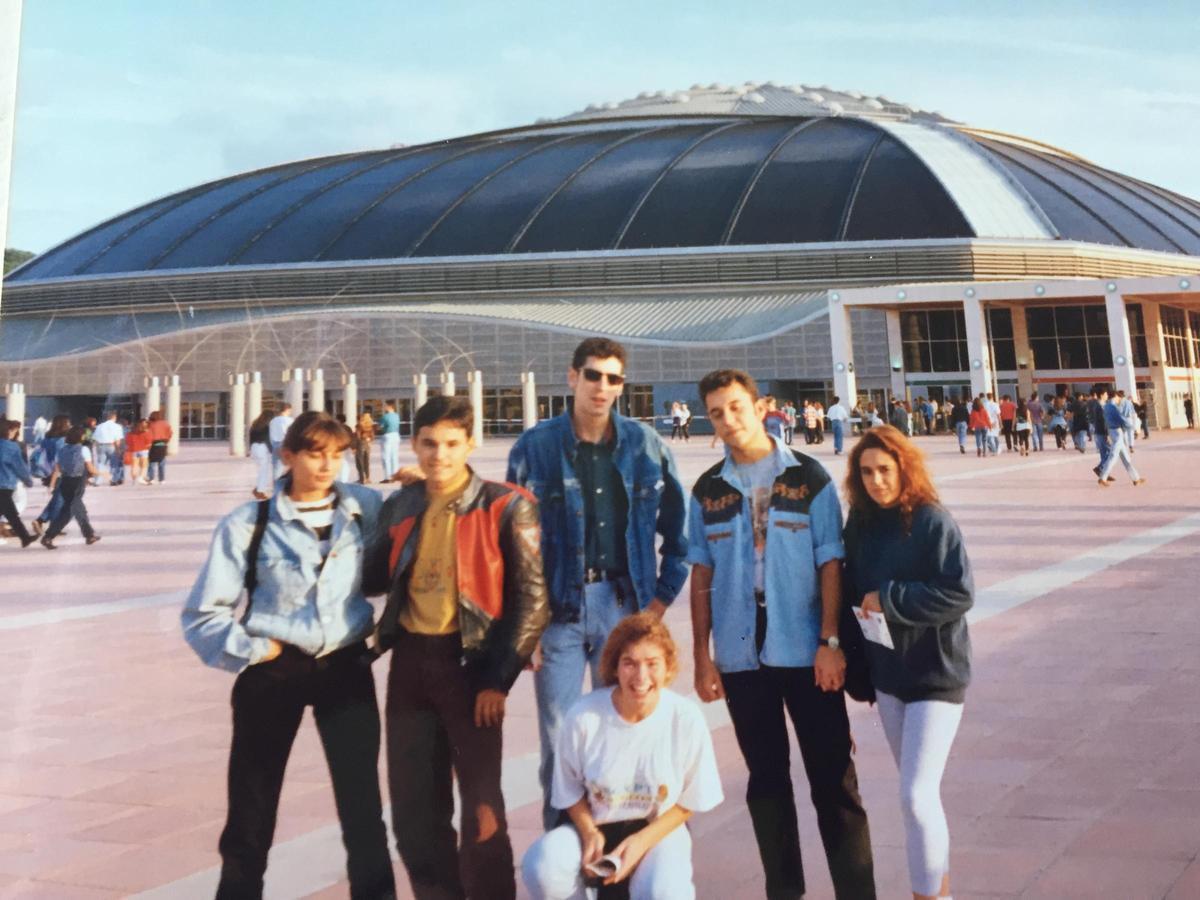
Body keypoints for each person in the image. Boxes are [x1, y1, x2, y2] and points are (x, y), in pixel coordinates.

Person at [181, 411, 395, 900]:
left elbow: (401, 544)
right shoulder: (248, 522)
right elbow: (202, 613)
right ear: (288, 456)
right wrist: (254, 649)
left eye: (337, 455)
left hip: (344, 665)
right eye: (315, 453)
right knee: (252, 806)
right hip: (273, 671)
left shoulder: (364, 508)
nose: (327, 466)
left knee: (362, 805)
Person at [690, 368, 876, 900]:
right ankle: (784, 891)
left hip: (806, 646)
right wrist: (703, 659)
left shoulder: (809, 477)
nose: (728, 420)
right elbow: (700, 575)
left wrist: (830, 642)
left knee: (833, 779)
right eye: (717, 412)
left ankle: (857, 892)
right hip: (741, 650)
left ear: (760, 406)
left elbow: (831, 564)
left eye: (736, 407)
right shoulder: (708, 490)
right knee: (766, 782)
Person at [368, 395, 549, 900]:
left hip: (470, 669)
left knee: (481, 815)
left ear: (471, 443)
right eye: (428, 444)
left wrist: (498, 678)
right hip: (410, 668)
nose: (439, 455)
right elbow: (369, 576)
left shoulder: (507, 505)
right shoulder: (402, 504)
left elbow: (533, 603)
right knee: (412, 816)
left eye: (451, 444)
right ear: (413, 444)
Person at [506, 336, 688, 832]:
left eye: (613, 378)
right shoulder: (535, 447)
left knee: (629, 734)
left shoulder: (645, 445)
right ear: (572, 378)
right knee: (561, 743)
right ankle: (567, 855)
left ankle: (630, 850)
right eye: (592, 375)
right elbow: (513, 545)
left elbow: (680, 532)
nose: (602, 387)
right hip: (556, 614)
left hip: (622, 608)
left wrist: (657, 603)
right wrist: (524, 628)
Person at [842, 425, 973, 900]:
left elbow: (959, 593)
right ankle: (940, 890)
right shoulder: (859, 523)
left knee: (915, 796)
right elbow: (848, 588)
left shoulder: (932, 521)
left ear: (903, 468)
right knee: (919, 796)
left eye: (884, 470)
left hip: (936, 673)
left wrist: (891, 598)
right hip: (890, 677)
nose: (876, 480)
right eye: (867, 472)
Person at [521, 613, 723, 900]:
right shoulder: (583, 716)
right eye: (629, 663)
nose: (641, 676)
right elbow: (568, 793)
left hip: (656, 830)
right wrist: (589, 832)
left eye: (652, 664)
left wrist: (641, 842)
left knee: (664, 891)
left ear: (668, 668)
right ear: (615, 667)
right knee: (542, 866)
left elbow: (690, 800)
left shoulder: (685, 718)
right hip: (598, 826)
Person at [40, 425, 101, 548]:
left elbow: (57, 469)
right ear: (80, 436)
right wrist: (101, 473)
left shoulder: (62, 449)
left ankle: (88, 535)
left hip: (65, 482)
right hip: (77, 482)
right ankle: (88, 535)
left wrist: (52, 485)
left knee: (70, 511)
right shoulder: (83, 450)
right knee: (75, 510)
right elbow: (90, 468)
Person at [0, 419, 37, 548]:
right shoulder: (11, 447)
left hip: (4, 485)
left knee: (10, 513)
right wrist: (28, 480)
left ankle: (25, 538)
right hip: (5, 484)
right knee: (11, 513)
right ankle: (25, 538)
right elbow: (19, 466)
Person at [32, 414, 71, 534]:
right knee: (60, 500)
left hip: (46, 471)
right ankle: (53, 526)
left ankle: (41, 519)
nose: (70, 425)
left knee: (57, 498)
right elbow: (60, 459)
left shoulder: (46, 439)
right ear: (64, 425)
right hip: (58, 472)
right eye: (68, 423)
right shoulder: (62, 441)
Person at [1097, 393, 1145, 487]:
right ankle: (1103, 477)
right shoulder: (1112, 406)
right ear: (1115, 396)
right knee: (1113, 456)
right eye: (1119, 398)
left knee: (1125, 457)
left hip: (1113, 431)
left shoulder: (1106, 406)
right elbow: (1121, 419)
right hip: (1117, 432)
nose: (1120, 400)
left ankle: (1136, 478)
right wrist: (1131, 427)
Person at [91, 411, 124, 485]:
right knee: (114, 464)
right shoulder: (117, 426)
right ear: (114, 418)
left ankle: (98, 481)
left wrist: (94, 448)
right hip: (112, 445)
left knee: (100, 464)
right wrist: (118, 449)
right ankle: (113, 480)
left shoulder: (99, 426)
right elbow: (117, 439)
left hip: (101, 445)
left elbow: (94, 439)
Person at [247, 410, 274, 499]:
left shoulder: (255, 424)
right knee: (264, 471)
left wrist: (249, 449)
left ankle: (259, 488)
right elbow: (267, 439)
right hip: (262, 447)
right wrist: (272, 450)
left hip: (254, 447)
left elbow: (250, 438)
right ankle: (260, 490)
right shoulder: (267, 426)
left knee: (261, 470)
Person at [268, 402, 295, 479]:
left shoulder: (273, 421)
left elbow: (271, 435)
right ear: (288, 409)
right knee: (291, 468)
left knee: (276, 469)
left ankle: (276, 489)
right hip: (286, 444)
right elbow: (290, 434)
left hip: (275, 444)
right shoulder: (290, 420)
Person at [146, 410, 173, 483]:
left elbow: (148, 434)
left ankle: (151, 478)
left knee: (152, 462)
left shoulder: (151, 424)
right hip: (163, 443)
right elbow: (170, 433)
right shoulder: (165, 423)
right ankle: (162, 479)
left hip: (154, 444)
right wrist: (167, 440)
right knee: (162, 462)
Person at [379, 401, 401, 480]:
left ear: (389, 407)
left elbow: (380, 427)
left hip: (387, 436)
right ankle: (395, 475)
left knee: (386, 456)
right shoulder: (397, 416)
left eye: (385, 406)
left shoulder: (385, 417)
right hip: (396, 435)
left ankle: (387, 477)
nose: (384, 408)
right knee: (394, 456)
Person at [126, 419, 152, 485]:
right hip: (144, 450)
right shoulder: (146, 433)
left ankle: (133, 480)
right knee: (144, 465)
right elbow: (149, 443)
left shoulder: (130, 433)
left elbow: (128, 442)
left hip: (134, 450)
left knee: (134, 466)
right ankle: (141, 477)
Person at [355, 412, 375, 483]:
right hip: (368, 444)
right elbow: (372, 436)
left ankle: (362, 478)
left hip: (360, 443)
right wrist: (369, 440)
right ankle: (367, 478)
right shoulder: (370, 426)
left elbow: (357, 436)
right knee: (366, 461)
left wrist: (354, 446)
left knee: (360, 462)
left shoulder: (359, 425)